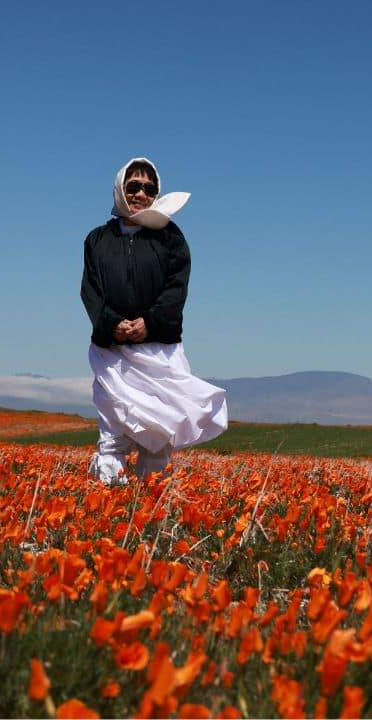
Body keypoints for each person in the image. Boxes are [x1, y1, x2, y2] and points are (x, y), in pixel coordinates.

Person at [80, 157, 228, 485]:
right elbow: (90, 291)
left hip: (159, 350)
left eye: (149, 188)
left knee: (159, 431)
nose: (141, 193)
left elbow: (176, 288)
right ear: (120, 189)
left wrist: (150, 322)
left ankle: (150, 503)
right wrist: (111, 323)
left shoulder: (171, 238)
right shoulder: (96, 240)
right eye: (133, 186)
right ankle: (109, 497)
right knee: (113, 430)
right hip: (113, 353)